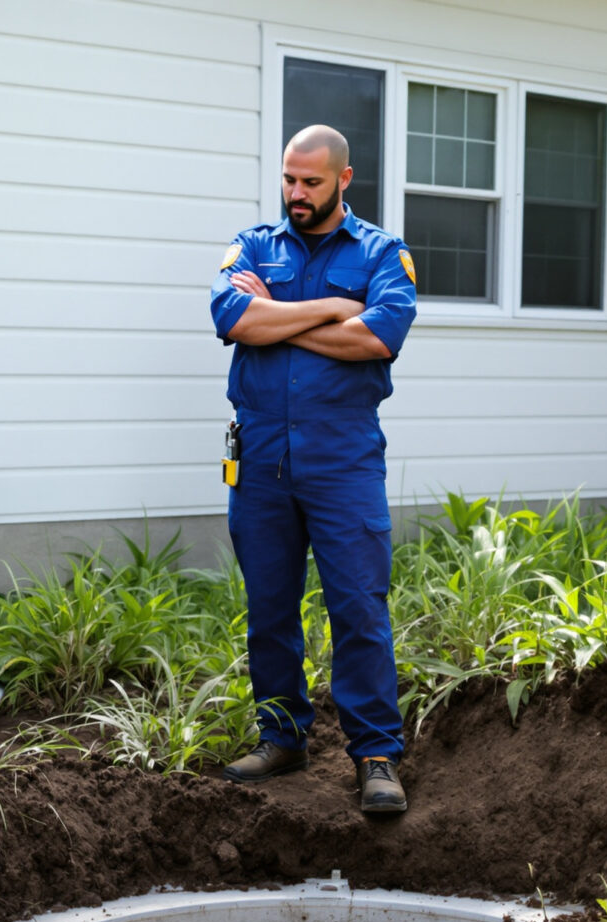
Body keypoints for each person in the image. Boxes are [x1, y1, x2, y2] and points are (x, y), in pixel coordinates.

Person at [208, 124, 418, 814]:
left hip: (343, 456)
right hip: (262, 454)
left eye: (311, 182)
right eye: (289, 180)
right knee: (269, 606)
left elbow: (379, 335)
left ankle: (376, 753)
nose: (296, 194)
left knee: (358, 605)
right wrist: (330, 307)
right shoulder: (253, 245)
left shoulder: (383, 252)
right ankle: (282, 735)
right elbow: (232, 317)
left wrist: (277, 314)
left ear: (343, 181)